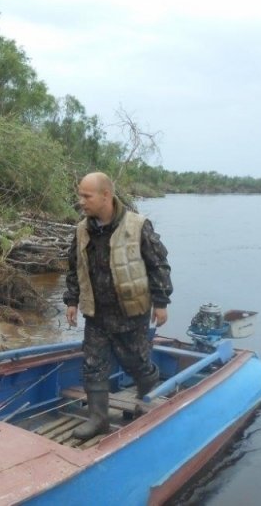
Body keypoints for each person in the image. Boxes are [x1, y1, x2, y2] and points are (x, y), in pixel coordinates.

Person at [63, 172, 173, 439]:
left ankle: (149, 387)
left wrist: (161, 302)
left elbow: (158, 264)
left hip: (130, 312)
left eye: (86, 196)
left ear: (105, 195)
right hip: (97, 313)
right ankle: (98, 419)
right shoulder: (81, 231)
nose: (81, 201)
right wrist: (72, 301)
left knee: (135, 361)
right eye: (80, 195)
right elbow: (74, 267)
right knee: (93, 364)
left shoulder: (137, 226)